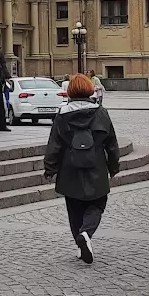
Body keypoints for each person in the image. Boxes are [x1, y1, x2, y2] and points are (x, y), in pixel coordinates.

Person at [44, 72, 120, 265]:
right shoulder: (101, 112)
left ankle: (80, 241)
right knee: (98, 203)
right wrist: (114, 166)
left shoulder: (62, 115)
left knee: (74, 207)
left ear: (70, 91)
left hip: (70, 166)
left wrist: (50, 168)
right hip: (96, 165)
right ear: (89, 90)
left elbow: (54, 144)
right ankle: (86, 234)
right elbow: (111, 143)